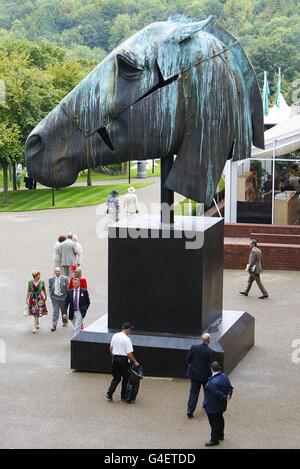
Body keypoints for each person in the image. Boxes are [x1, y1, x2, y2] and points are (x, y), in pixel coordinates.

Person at [106, 322, 139, 402]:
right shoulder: (127, 339)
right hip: (124, 360)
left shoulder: (115, 335)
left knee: (116, 378)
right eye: (130, 329)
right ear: (127, 329)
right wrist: (135, 362)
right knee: (126, 378)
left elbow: (111, 348)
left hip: (115, 358)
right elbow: (129, 354)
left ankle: (109, 393)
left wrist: (113, 357)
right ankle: (123, 396)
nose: (130, 331)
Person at [203, 361, 233, 447]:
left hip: (212, 406)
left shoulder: (212, 383)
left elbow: (217, 393)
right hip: (221, 405)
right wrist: (228, 396)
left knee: (214, 423)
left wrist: (225, 397)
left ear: (211, 369)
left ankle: (214, 439)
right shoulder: (224, 376)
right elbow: (230, 388)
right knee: (220, 418)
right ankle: (221, 434)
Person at [186, 333, 214, 418]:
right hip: (205, 376)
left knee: (193, 392)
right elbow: (211, 365)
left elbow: (188, 358)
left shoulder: (194, 347)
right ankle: (207, 406)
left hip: (194, 374)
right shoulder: (210, 351)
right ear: (209, 341)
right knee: (207, 392)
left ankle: (190, 409)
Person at [49, 267, 69, 332]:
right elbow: (50, 287)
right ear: (55, 272)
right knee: (55, 311)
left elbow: (67, 288)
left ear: (60, 272)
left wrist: (66, 297)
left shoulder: (65, 279)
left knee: (63, 311)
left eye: (58, 271)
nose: (57, 272)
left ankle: (65, 321)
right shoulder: (51, 279)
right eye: (56, 271)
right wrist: (51, 295)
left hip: (62, 297)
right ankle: (54, 325)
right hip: (55, 298)